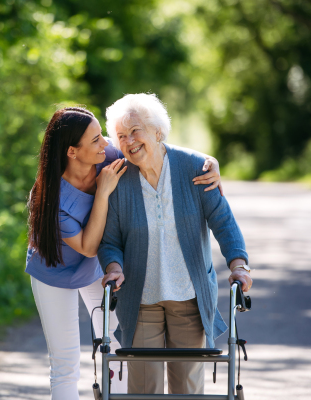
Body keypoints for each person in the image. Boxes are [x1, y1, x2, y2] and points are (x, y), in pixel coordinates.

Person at [25, 107, 223, 400]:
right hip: (54, 272)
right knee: (65, 364)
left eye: (102, 136)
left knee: (120, 351)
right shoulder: (50, 197)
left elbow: (158, 151)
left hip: (98, 268)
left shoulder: (106, 156)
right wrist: (103, 192)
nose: (106, 143)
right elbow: (89, 246)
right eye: (95, 140)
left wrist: (208, 163)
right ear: (72, 151)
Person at [98, 94, 253, 395]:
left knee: (187, 388)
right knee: (144, 388)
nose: (129, 141)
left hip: (188, 297)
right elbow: (110, 241)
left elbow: (223, 222)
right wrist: (114, 266)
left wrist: (239, 265)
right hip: (140, 300)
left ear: (158, 131)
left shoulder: (195, 167)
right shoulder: (119, 178)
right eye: (121, 136)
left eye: (135, 130)